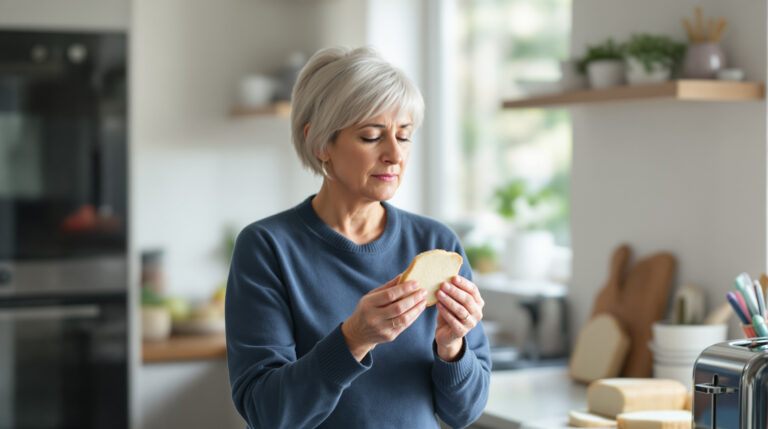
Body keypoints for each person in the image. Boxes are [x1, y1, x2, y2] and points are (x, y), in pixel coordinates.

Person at [226, 46, 490, 429]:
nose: (394, 155)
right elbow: (267, 412)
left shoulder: (437, 243)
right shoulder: (267, 248)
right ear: (320, 143)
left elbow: (465, 413)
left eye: (404, 135)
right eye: (371, 136)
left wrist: (452, 348)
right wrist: (353, 339)